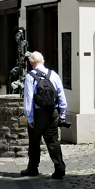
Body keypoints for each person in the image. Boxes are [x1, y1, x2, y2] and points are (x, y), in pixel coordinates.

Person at [20, 51, 67, 180]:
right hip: (52, 111)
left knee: (34, 142)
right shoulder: (54, 75)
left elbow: (28, 99)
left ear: (31, 63)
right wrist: (62, 114)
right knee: (53, 141)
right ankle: (59, 168)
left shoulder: (30, 76)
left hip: (38, 114)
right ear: (43, 62)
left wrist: (30, 118)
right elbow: (61, 95)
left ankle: (33, 168)